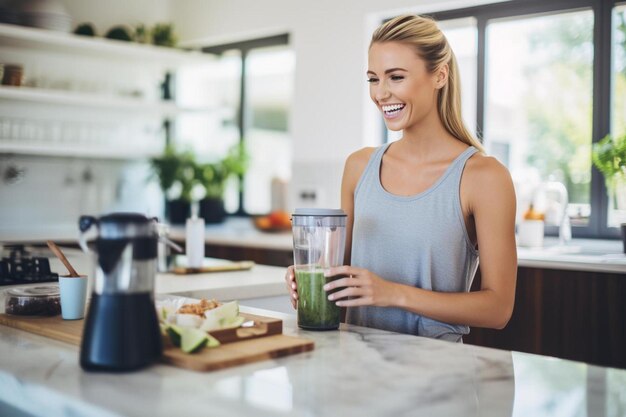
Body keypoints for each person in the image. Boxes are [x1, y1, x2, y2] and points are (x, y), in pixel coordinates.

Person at [285, 14, 517, 342]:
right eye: (372, 79)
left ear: (439, 75)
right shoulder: (358, 166)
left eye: (395, 77)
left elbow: (498, 309)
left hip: (437, 376)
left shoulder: (483, 177)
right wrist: (310, 278)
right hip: (357, 369)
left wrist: (392, 293)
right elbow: (342, 273)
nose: (381, 93)